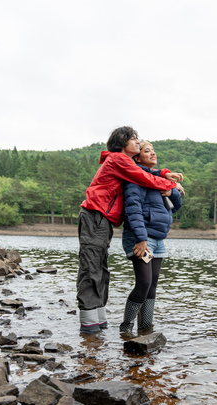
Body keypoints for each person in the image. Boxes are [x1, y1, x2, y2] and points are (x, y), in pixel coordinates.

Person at [76, 126, 183, 334]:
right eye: (133, 139)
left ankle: (99, 320)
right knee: (91, 266)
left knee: (100, 267)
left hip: (103, 218)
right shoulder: (118, 159)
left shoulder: (124, 163)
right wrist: (169, 185)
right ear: (122, 142)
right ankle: (91, 323)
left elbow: (148, 172)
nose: (137, 141)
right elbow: (145, 177)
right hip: (95, 214)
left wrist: (165, 176)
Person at [120, 141, 183, 335]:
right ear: (137, 158)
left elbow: (177, 206)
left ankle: (145, 327)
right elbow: (133, 210)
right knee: (144, 282)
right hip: (141, 239)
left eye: (154, 151)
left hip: (158, 239)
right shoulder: (135, 179)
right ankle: (126, 327)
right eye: (147, 151)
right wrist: (141, 239)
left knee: (152, 285)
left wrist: (173, 192)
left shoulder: (159, 179)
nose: (153, 153)